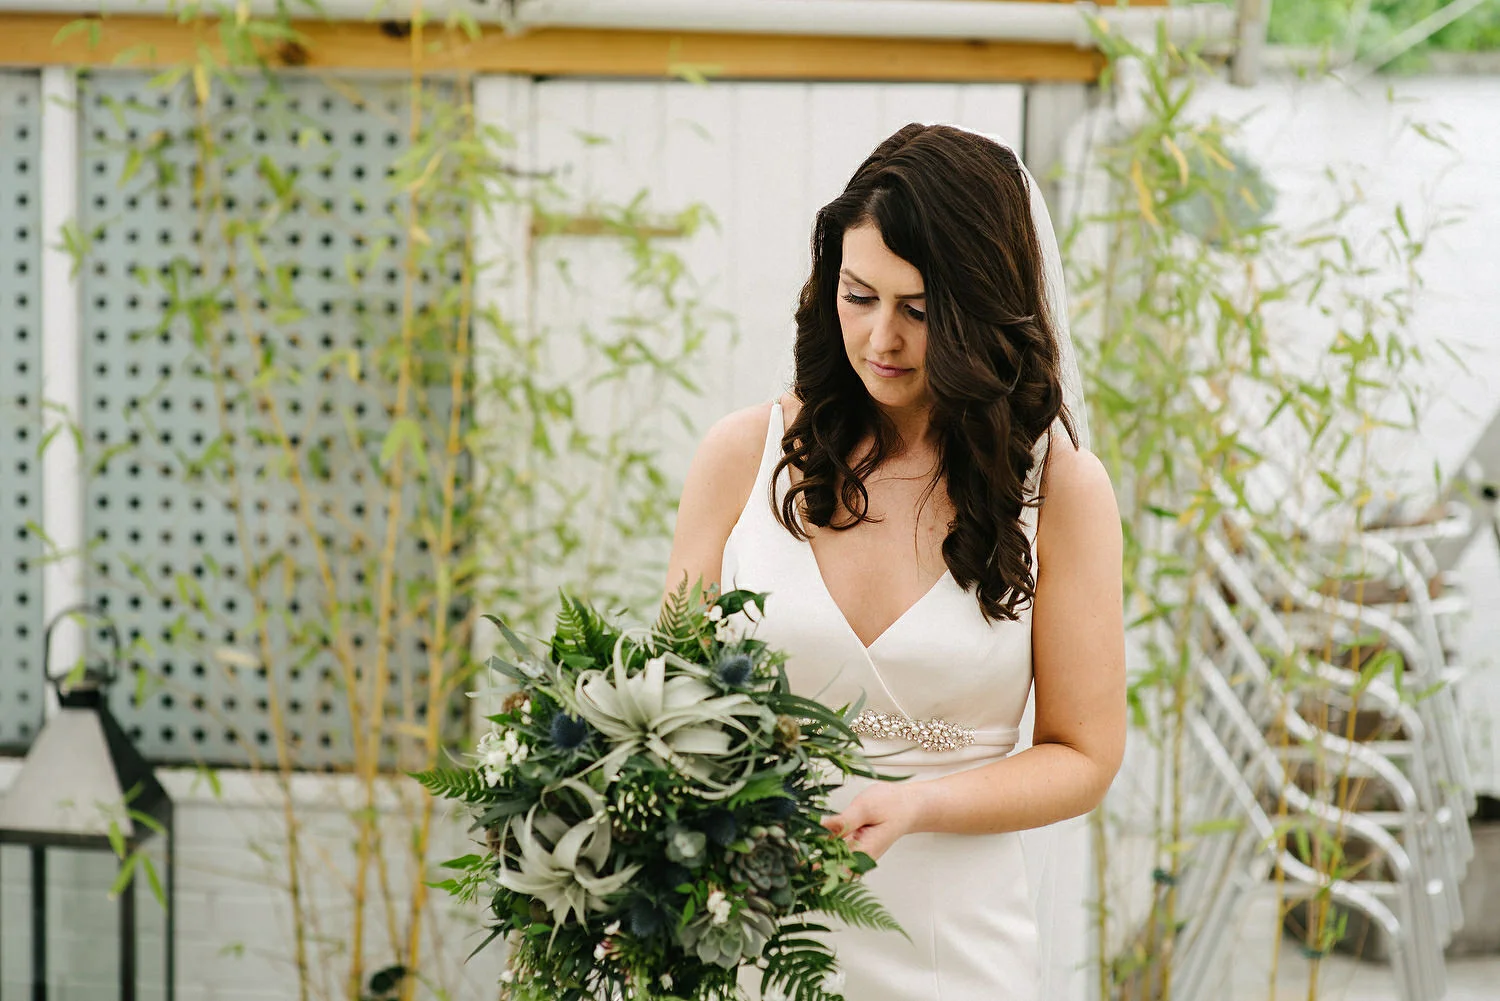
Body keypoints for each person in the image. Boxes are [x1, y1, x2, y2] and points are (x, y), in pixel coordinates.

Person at [663, 123, 1127, 1001]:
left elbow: (1086, 753)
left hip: (956, 951)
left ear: (981, 309)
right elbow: (668, 707)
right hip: (747, 941)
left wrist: (919, 805)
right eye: (857, 294)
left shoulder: (1060, 490)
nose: (880, 337)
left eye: (917, 309)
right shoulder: (741, 457)